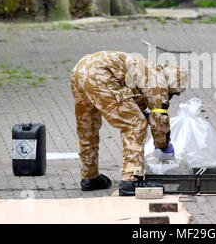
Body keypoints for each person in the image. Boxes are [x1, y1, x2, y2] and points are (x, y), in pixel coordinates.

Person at [70, 51, 187, 196]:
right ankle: (132, 180)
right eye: (174, 92)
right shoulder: (159, 82)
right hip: (101, 74)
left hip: (81, 69)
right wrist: (163, 146)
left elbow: (131, 96)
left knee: (87, 126)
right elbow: (159, 120)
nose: (171, 96)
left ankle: (90, 177)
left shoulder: (148, 69)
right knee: (135, 124)